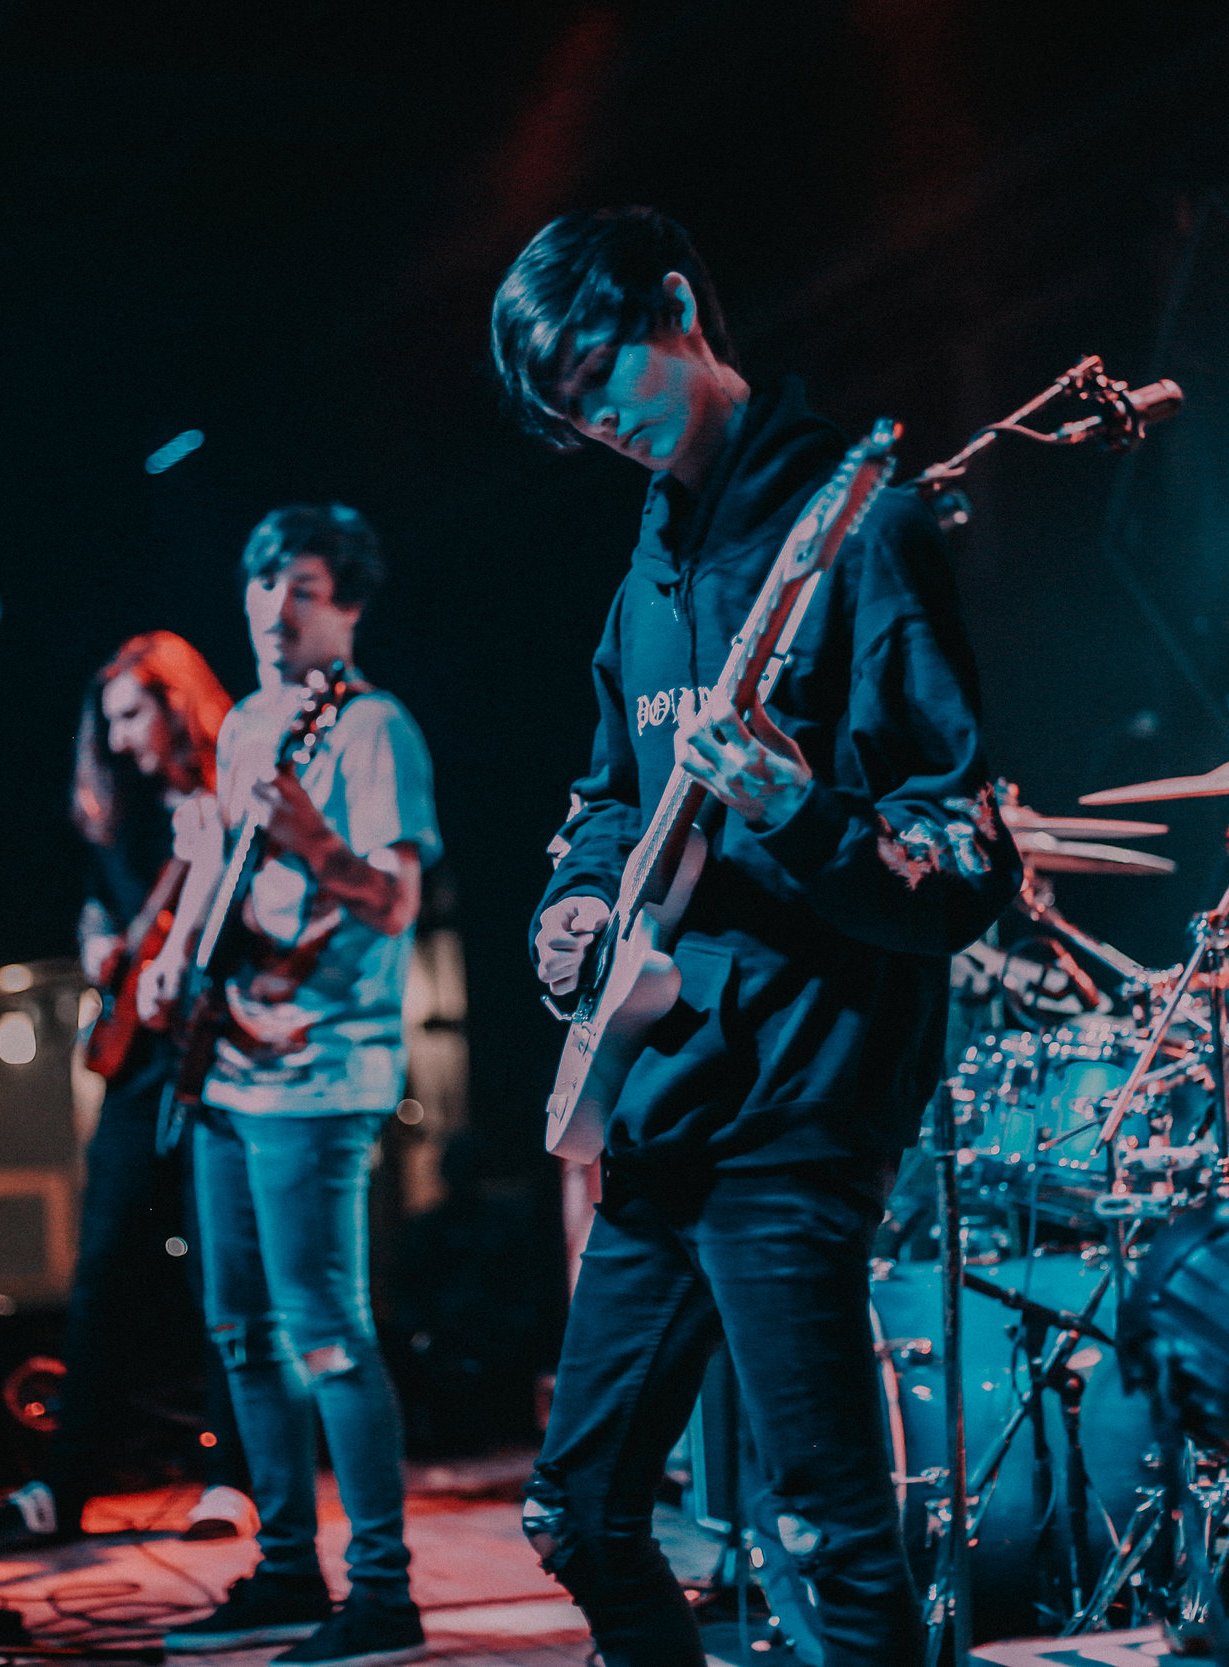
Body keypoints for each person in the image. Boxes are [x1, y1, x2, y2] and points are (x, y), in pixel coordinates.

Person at [491, 207, 1017, 1667]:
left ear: (677, 302)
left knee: (826, 1530)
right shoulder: (645, 576)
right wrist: (574, 904)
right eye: (568, 411)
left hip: (802, 1088)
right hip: (669, 1092)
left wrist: (796, 807)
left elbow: (964, 862)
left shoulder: (860, 528)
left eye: (601, 375)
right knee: (578, 1511)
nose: (598, 422)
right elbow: (608, 798)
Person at [143, 506, 439, 1667]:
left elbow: (397, 901)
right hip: (230, 1057)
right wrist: (175, 953)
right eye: (262, 584)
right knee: (240, 1329)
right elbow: (222, 868)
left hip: (320, 1068)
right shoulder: (249, 722)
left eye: (302, 586)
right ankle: (281, 1569)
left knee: (325, 1333)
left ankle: (383, 1592)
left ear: (347, 603)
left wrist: (316, 840)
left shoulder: (373, 726)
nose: (274, 607)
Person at [0, 631, 257, 1547]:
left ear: (177, 707)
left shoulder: (230, 798)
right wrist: (100, 941)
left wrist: (210, 863)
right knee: (104, 1262)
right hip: (140, 1065)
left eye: (133, 713)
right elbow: (99, 903)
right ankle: (66, 1483)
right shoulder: (126, 813)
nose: (117, 737)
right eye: (107, 721)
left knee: (224, 1272)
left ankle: (235, 1479)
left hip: (221, 1056)